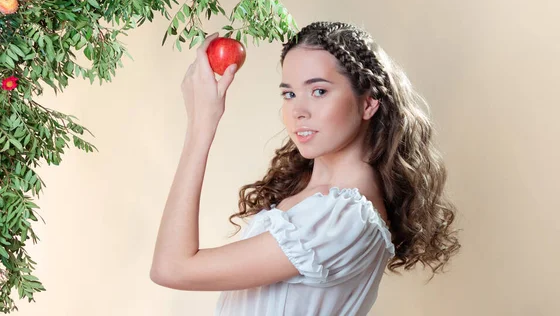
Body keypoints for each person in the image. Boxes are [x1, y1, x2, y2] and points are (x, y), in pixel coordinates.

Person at [150, 21, 461, 316]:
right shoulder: (315, 199)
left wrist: (201, 127)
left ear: (368, 103)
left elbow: (172, 268)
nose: (298, 110)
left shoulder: (342, 218)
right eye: (289, 93)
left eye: (319, 91)